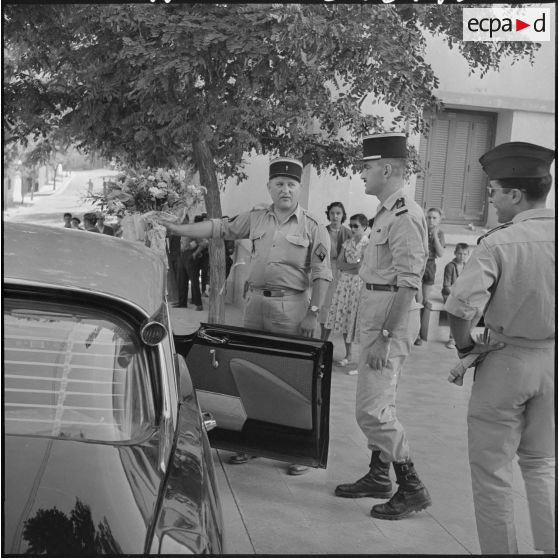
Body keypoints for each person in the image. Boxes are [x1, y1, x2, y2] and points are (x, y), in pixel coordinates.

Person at [156, 156, 332, 476]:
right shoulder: (256, 218)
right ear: (269, 187)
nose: (285, 189)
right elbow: (220, 228)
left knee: (293, 378)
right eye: (279, 183)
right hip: (255, 305)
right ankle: (253, 444)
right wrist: (177, 228)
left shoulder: (314, 227)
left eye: (291, 184)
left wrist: (314, 313)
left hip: (291, 308)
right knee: (251, 372)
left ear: (299, 188)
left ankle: (297, 448)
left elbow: (322, 275)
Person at [445, 141, 555, 555]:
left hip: (508, 361)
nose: (490, 200)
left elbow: (460, 307)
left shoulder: (499, 242)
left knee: (492, 472)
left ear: (515, 194)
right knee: (542, 464)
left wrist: (462, 346)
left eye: (493, 191)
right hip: (552, 362)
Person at [334, 132, 432, 520]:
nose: (362, 174)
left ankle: (411, 485)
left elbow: (410, 282)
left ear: (387, 169)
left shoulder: (407, 214)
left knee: (372, 411)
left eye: (367, 167)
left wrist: (385, 338)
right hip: (377, 309)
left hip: (389, 319)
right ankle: (378, 475)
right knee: (380, 400)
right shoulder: (387, 211)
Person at [323, 213, 368, 370]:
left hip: (357, 286)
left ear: (365, 227)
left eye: (357, 226)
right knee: (343, 318)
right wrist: (353, 265)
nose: (353, 228)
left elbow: (360, 269)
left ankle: (358, 357)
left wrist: (352, 266)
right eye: (352, 225)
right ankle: (346, 354)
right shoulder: (347, 243)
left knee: (355, 319)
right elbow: (339, 264)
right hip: (344, 285)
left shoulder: (367, 244)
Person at [320, 202, 352, 340]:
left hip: (340, 271)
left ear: (343, 215)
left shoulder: (348, 233)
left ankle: (328, 336)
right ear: (328, 214)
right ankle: (323, 336)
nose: (335, 216)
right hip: (324, 268)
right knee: (323, 304)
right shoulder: (322, 230)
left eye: (338, 213)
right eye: (332, 213)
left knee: (334, 303)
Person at [414, 207, 445, 346]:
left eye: (434, 218)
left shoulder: (440, 233)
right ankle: (416, 334)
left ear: (439, 220)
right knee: (418, 299)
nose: (431, 220)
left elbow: (440, 253)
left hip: (430, 266)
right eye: (429, 217)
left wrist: (436, 236)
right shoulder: (421, 230)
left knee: (425, 300)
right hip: (419, 264)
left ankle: (420, 331)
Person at [441, 242, 469, 349]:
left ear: (468, 255)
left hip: (461, 295)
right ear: (455, 253)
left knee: (471, 308)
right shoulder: (450, 266)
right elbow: (446, 286)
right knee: (455, 310)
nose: (462, 256)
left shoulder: (467, 266)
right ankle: (452, 339)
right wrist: (457, 295)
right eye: (459, 253)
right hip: (449, 294)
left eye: (464, 254)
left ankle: (463, 337)